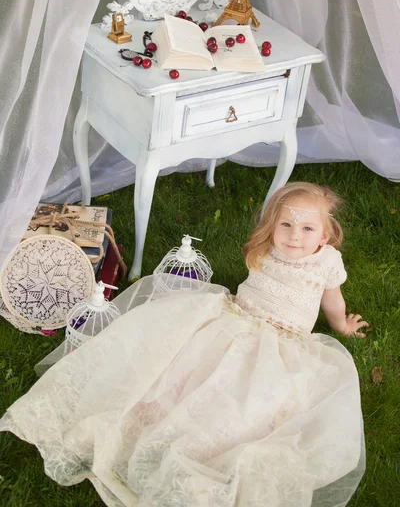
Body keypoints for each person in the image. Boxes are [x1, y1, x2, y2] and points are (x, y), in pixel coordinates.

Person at [0, 182, 367, 507]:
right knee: (186, 372)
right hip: (234, 322)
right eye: (285, 224)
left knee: (248, 399)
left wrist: (341, 325)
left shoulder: (325, 263)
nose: (293, 236)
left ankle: (208, 457)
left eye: (306, 228)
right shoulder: (266, 250)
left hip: (281, 342)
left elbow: (332, 301)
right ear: (272, 227)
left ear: (323, 237)